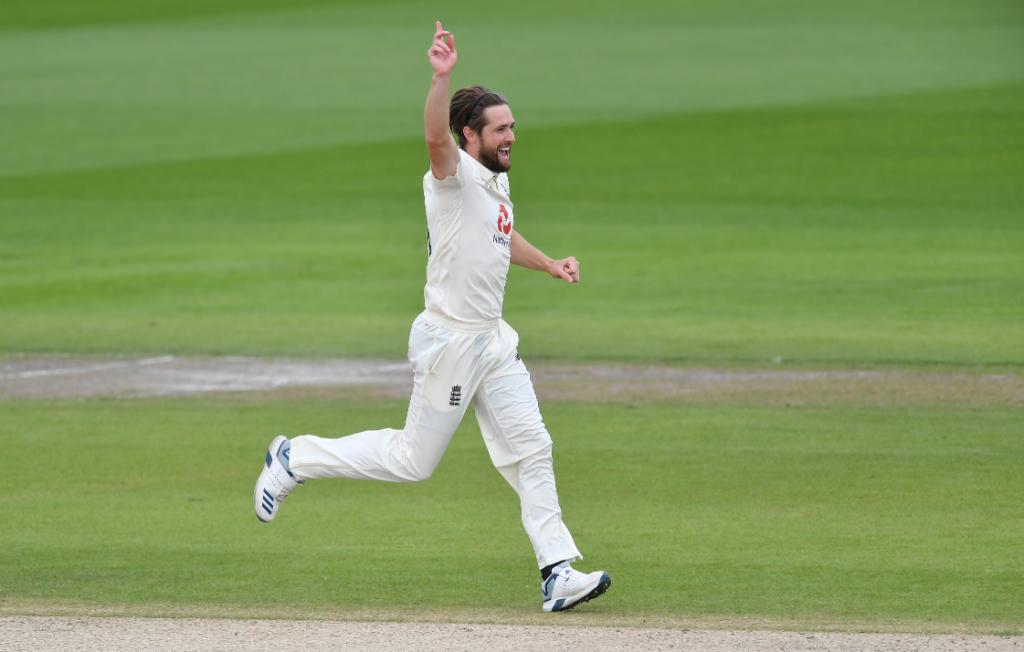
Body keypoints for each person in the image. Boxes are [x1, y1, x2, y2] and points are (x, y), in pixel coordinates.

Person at [252, 20, 611, 613]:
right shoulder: (450, 177)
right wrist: (440, 78)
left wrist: (547, 264)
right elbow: (433, 140)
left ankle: (557, 571)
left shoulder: (493, 186)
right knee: (412, 463)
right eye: (500, 128)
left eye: (513, 126)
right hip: (449, 343)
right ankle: (295, 457)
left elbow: (500, 236)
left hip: (491, 341)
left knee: (533, 448)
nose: (512, 136)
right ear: (470, 135)